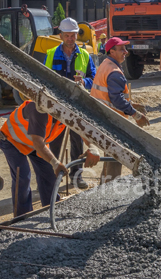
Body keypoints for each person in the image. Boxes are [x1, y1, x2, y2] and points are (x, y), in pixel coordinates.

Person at [0, 101, 100, 216]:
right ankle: (23, 216)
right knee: (23, 176)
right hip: (12, 140)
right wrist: (55, 162)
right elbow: (38, 143)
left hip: (34, 143)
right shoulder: (39, 109)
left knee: (49, 173)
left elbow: (82, 131)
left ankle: (51, 210)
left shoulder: (66, 112)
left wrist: (93, 148)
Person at [44, 17, 96, 190]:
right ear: (61, 36)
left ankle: (76, 175)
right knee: (55, 141)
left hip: (76, 105)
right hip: (57, 105)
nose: (70, 39)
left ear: (76, 35)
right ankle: (53, 177)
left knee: (77, 141)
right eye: (67, 36)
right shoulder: (51, 54)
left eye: (73, 35)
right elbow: (44, 78)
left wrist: (83, 83)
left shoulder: (85, 55)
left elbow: (93, 78)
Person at [91, 37, 150, 184]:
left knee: (109, 154)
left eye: (125, 48)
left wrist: (131, 104)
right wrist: (136, 115)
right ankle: (111, 190)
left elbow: (110, 96)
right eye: (121, 49)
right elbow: (116, 100)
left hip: (102, 115)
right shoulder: (114, 71)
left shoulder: (106, 64)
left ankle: (104, 185)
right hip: (113, 121)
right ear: (112, 51)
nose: (126, 52)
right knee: (115, 157)